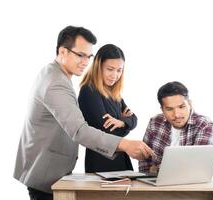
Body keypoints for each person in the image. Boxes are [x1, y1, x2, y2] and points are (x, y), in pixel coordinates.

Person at [13, 26, 154, 200]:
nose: (86, 62)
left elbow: (130, 118)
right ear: (63, 51)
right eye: (80, 55)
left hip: (46, 168)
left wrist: (125, 122)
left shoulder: (54, 74)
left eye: (89, 56)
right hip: (44, 172)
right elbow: (80, 131)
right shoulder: (56, 83)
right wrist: (125, 144)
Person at [78, 44, 136, 173]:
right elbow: (107, 130)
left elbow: (134, 119)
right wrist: (126, 125)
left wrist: (121, 122)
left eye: (119, 70)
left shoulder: (114, 93)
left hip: (120, 157)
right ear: (98, 67)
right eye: (110, 69)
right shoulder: (89, 90)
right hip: (101, 161)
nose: (115, 75)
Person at [139, 81, 213, 173]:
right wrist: (147, 177)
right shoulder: (155, 122)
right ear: (162, 109)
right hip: (155, 183)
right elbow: (144, 159)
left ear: (190, 104)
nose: (177, 115)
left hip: (191, 185)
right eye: (169, 109)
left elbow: (198, 167)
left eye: (181, 107)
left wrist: (157, 169)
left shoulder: (203, 124)